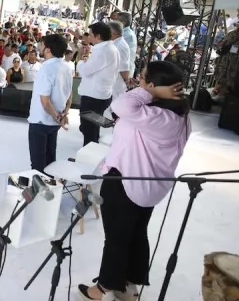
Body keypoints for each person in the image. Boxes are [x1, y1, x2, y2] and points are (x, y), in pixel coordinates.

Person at [78, 61, 190, 301]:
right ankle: (128, 286)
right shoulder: (178, 116)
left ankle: (103, 287)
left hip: (126, 184)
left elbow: (120, 104)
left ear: (153, 85)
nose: (138, 82)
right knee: (136, 233)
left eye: (143, 79)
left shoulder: (158, 116)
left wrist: (150, 92)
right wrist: (152, 94)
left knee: (117, 238)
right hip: (148, 188)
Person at [27, 34, 73, 173]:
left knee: (38, 163)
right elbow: (69, 95)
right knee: (50, 159)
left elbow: (45, 102)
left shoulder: (46, 69)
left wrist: (58, 117)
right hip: (55, 122)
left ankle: (40, 192)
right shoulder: (66, 67)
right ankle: (51, 188)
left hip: (41, 121)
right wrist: (63, 114)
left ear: (48, 50)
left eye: (42, 45)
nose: (40, 47)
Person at [77, 22, 119, 146]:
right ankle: (90, 154)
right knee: (92, 128)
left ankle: (87, 158)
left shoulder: (103, 51)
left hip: (93, 97)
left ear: (98, 36)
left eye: (90, 35)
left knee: (88, 129)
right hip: (102, 94)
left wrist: (80, 60)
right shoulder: (111, 48)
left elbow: (84, 71)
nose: (88, 37)